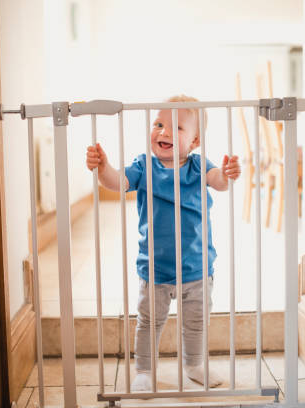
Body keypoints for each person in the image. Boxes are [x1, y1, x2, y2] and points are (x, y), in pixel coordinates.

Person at [85, 95, 241, 391]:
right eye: (158, 124)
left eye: (176, 128)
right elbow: (117, 182)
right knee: (149, 322)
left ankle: (194, 364)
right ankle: (144, 370)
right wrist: (103, 167)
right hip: (155, 269)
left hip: (197, 269)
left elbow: (218, 181)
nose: (163, 132)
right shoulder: (143, 166)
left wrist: (227, 174)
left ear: (194, 142)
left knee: (195, 323)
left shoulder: (198, 167)